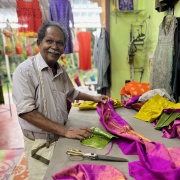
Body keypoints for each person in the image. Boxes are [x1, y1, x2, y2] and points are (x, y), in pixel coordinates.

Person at [12, 21, 109, 180]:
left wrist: (94, 98)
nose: (54, 47)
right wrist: (64, 130)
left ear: (64, 47)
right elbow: (27, 112)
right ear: (39, 43)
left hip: (60, 138)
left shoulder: (60, 71)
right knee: (43, 176)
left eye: (60, 43)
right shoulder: (25, 72)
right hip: (40, 144)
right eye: (49, 41)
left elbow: (72, 93)